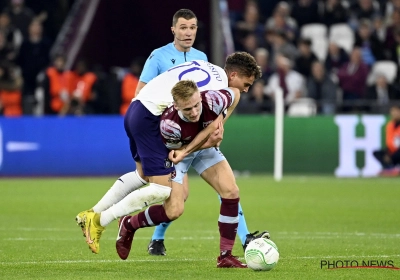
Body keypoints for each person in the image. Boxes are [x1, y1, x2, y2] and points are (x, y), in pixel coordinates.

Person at [77, 7, 265, 257]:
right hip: (153, 121)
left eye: (193, 28)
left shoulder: (202, 60)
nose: (245, 90)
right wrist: (187, 142)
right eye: (245, 85)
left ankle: (91, 213)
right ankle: (101, 221)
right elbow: (209, 127)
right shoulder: (168, 60)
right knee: (163, 191)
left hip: (140, 114)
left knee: (144, 175)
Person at [117, 80, 249, 268]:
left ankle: (225, 256)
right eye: (187, 109)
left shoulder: (214, 99)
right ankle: (129, 223)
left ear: (200, 96)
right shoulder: (169, 125)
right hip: (178, 154)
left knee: (231, 191)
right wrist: (209, 139)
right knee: (174, 210)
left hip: (200, 148)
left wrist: (221, 121)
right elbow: (179, 154)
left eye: (196, 105)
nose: (194, 112)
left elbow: (236, 92)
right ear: (176, 105)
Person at [373, 105, 400, 176]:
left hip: (398, 152)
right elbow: (389, 141)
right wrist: (387, 153)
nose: (394, 114)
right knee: (377, 153)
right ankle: (389, 169)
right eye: (392, 112)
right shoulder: (390, 125)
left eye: (396, 111)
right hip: (392, 151)